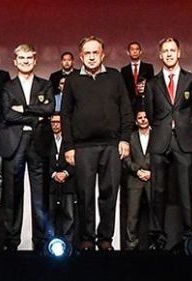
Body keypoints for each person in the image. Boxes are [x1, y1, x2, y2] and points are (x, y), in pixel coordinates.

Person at [61, 36, 134, 251]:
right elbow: (65, 115)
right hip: (82, 147)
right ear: (81, 56)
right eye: (87, 53)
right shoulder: (73, 80)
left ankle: (105, 239)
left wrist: (125, 139)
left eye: (96, 53)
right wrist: (69, 146)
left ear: (103, 55)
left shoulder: (115, 76)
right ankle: (86, 238)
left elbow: (126, 111)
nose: (92, 57)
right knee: (84, 195)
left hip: (111, 146)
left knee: (109, 194)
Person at [144, 37, 192, 251]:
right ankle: (157, 238)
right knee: (157, 191)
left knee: (187, 191)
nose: (169, 54)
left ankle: (190, 237)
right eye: (165, 51)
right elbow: (151, 114)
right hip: (160, 142)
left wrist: (182, 128)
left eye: (172, 50)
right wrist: (164, 128)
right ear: (159, 55)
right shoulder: (152, 83)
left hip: (184, 142)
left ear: (179, 53)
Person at [0, 43, 54, 251]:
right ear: (15, 61)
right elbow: (7, 114)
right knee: (13, 194)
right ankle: (12, 240)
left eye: (29, 58)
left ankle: (41, 241)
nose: (25, 62)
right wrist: (34, 117)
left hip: (39, 143)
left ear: (35, 59)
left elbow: (49, 108)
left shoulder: (45, 84)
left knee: (40, 194)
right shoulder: (7, 87)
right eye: (21, 59)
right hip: (14, 144)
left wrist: (25, 109)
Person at [122, 109, 152, 250]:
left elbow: (163, 155)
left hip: (153, 179)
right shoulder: (131, 137)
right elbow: (126, 158)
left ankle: (155, 243)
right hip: (135, 179)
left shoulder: (158, 135)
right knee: (132, 216)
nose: (143, 119)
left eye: (145, 117)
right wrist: (137, 171)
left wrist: (151, 172)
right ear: (136, 121)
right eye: (139, 118)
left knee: (155, 213)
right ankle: (131, 245)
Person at [47, 113, 75, 242]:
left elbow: (76, 159)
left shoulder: (70, 140)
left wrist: (65, 173)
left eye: (58, 122)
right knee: (50, 214)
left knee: (69, 214)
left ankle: (68, 241)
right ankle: (50, 240)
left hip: (68, 182)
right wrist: (53, 174)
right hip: (51, 183)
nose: (55, 125)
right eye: (53, 122)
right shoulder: (46, 139)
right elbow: (42, 160)